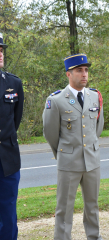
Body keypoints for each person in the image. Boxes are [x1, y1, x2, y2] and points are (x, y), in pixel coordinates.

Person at [42, 53, 104, 240]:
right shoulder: (57, 100)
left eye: (86, 70)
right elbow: (50, 132)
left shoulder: (95, 97)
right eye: (79, 71)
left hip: (92, 161)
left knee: (92, 205)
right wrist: (63, 153)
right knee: (64, 208)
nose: (84, 74)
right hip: (69, 162)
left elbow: (97, 129)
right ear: (68, 74)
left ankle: (94, 236)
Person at [0, 33, 24, 240]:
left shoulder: (13, 83)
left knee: (8, 210)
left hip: (7, 158)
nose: (0, 54)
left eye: (1, 50)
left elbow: (15, 120)